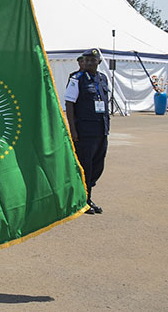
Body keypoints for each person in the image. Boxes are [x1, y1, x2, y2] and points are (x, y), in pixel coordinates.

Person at [65, 48, 110, 215]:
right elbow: (69, 104)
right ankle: (83, 200)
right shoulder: (77, 79)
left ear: (98, 62)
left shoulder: (102, 78)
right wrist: (73, 129)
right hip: (85, 131)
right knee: (85, 166)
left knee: (98, 165)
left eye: (93, 60)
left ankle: (87, 196)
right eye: (87, 60)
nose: (89, 63)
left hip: (101, 129)